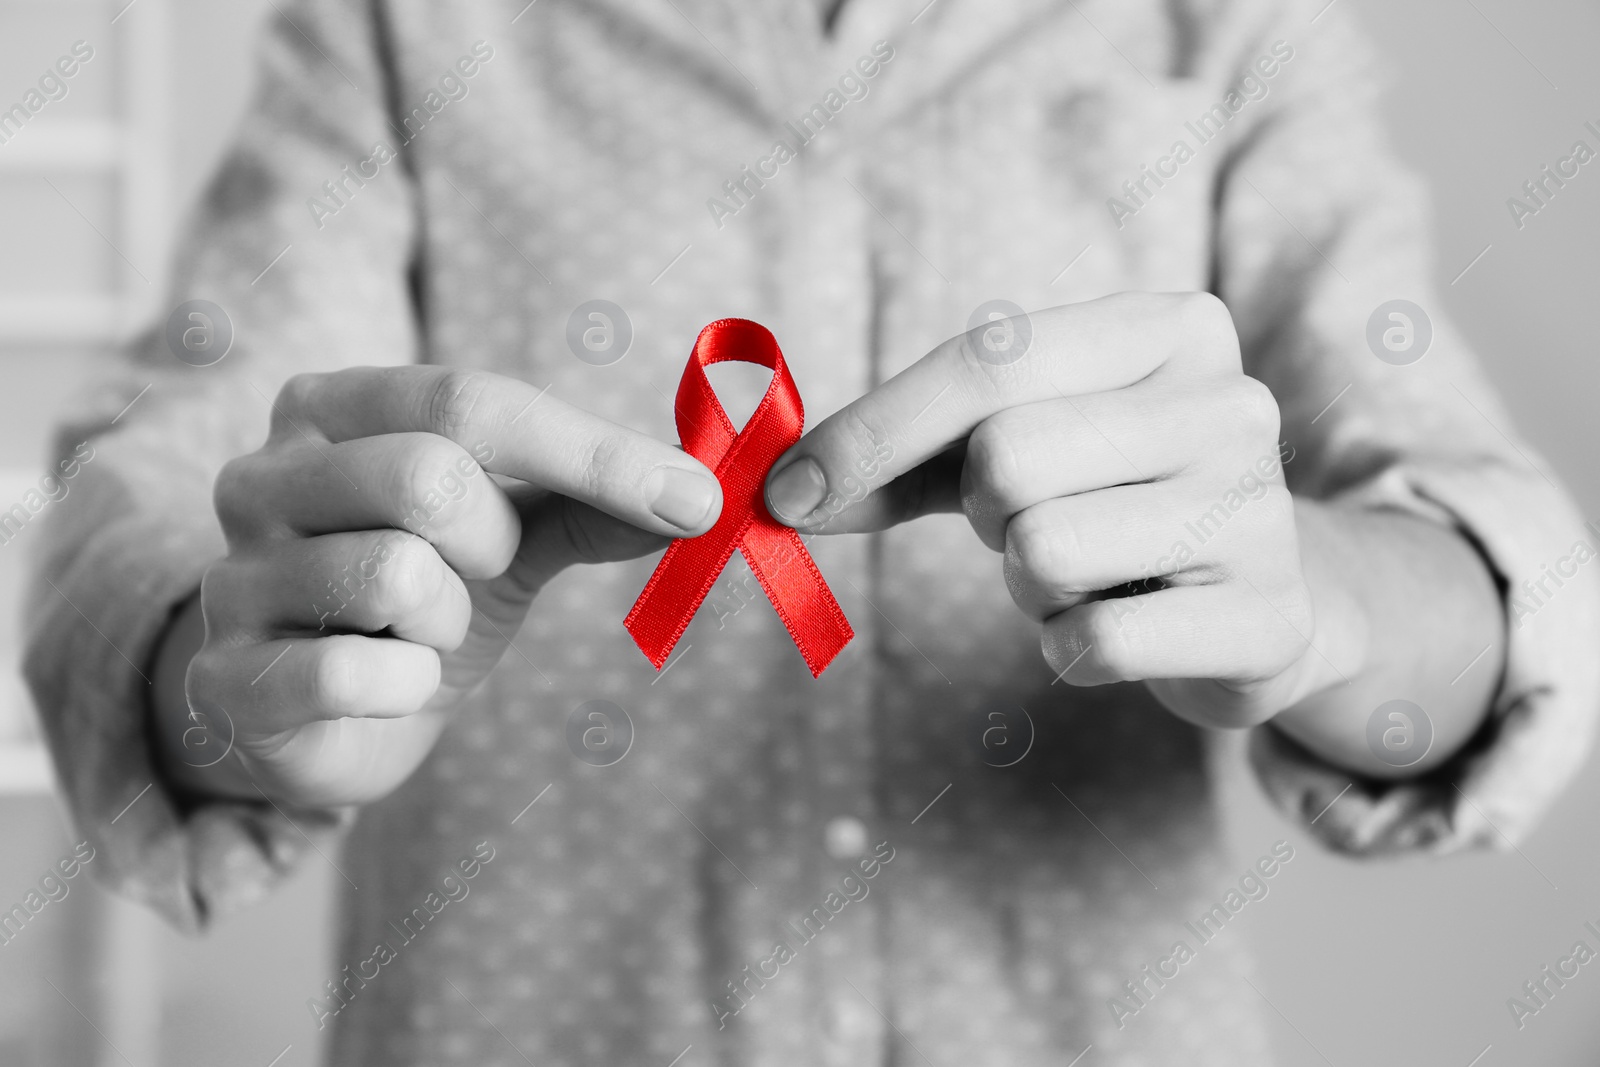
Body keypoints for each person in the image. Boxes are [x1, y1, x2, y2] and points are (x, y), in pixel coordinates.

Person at [24, 0, 1599, 1063]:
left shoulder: (1227, 23)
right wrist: (242, 681)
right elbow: (159, 490)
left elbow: (1473, 552)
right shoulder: (402, 28)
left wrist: (1323, 607)